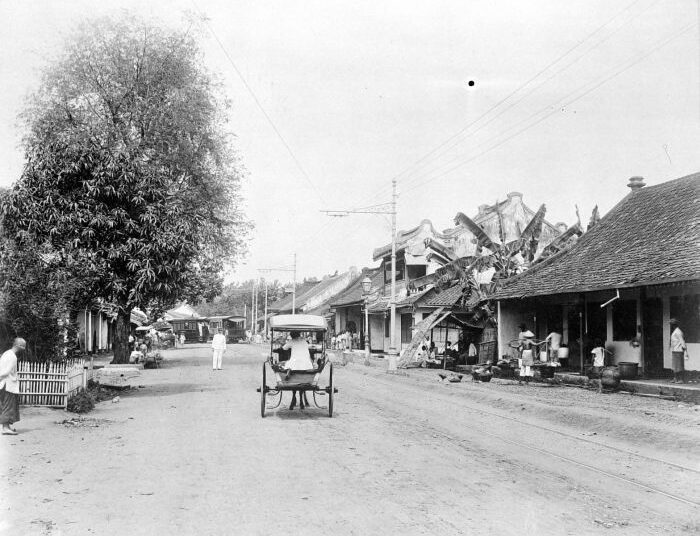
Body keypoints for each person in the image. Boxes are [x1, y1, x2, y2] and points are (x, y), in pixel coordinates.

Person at [282, 331, 314, 409]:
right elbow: (310, 347)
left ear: (292, 336)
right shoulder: (304, 341)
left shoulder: (291, 341)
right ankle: (301, 400)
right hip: (307, 365)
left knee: (287, 365)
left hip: (294, 365)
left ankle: (288, 374)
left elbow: (284, 348)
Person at [0, 338, 26, 435]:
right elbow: (5, 372)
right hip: (8, 385)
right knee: (8, 406)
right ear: (18, 345)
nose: (24, 348)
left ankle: (6, 426)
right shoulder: (13, 357)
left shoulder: (6, 353)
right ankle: (5, 428)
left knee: (5, 405)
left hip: (3, 384)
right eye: (23, 346)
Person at [670, 319, 688, 384]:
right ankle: (675, 378)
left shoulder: (678, 332)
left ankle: (681, 379)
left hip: (678, 350)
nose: (670, 326)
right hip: (674, 350)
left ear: (674, 325)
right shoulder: (675, 331)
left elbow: (682, 341)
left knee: (679, 365)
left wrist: (685, 351)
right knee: (675, 365)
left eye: (671, 324)